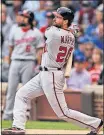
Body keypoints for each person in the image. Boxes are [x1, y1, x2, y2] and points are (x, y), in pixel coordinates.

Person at [2, 7, 103, 135]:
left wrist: (71, 29)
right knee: (21, 94)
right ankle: (18, 127)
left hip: (52, 75)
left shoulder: (53, 33)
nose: (55, 19)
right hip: (45, 73)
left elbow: (50, 30)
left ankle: (95, 124)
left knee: (62, 112)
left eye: (59, 17)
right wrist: (72, 30)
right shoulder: (71, 36)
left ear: (66, 21)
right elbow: (73, 29)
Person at [3, 10, 44, 120]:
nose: (21, 18)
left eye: (24, 17)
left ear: (30, 19)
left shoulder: (37, 33)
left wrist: (38, 65)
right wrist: (10, 61)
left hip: (29, 61)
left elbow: (40, 50)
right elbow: (10, 47)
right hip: (15, 60)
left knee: (27, 90)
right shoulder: (14, 30)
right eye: (21, 16)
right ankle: (7, 114)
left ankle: (25, 114)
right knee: (11, 89)